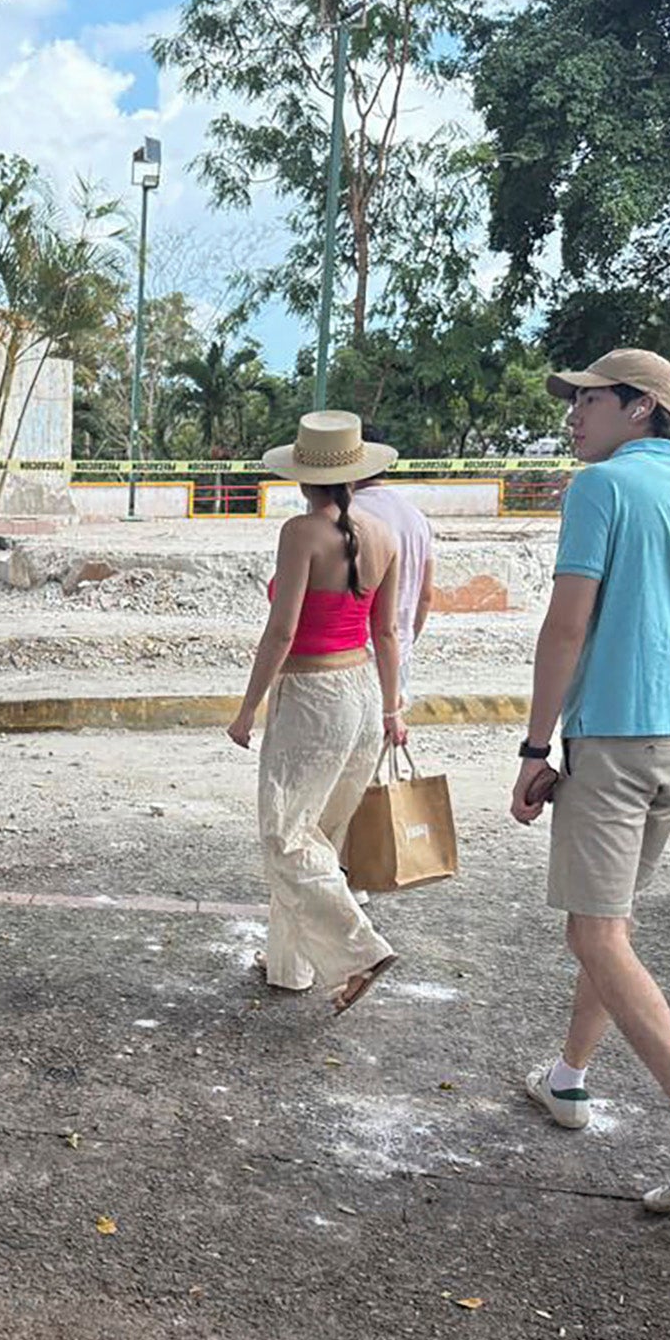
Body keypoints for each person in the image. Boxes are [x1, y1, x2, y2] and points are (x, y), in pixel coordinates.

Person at [510, 348, 670, 1213]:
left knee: (597, 936)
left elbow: (566, 627)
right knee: (609, 925)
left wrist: (534, 746)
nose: (573, 414)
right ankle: (568, 1077)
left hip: (614, 735)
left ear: (642, 407)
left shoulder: (602, 490)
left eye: (588, 399)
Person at [228, 411, 408, 1015]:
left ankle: (360, 950)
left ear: (304, 477)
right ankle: (290, 967)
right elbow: (386, 634)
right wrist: (391, 707)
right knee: (320, 834)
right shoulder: (386, 537)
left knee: (285, 834)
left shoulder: (301, 533)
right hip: (359, 690)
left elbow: (280, 634)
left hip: (312, 695)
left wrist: (246, 709)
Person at [350, 470, 436, 697]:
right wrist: (407, 640)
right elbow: (425, 595)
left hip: (350, 653)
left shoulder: (342, 514)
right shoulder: (415, 517)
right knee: (390, 724)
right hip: (398, 651)